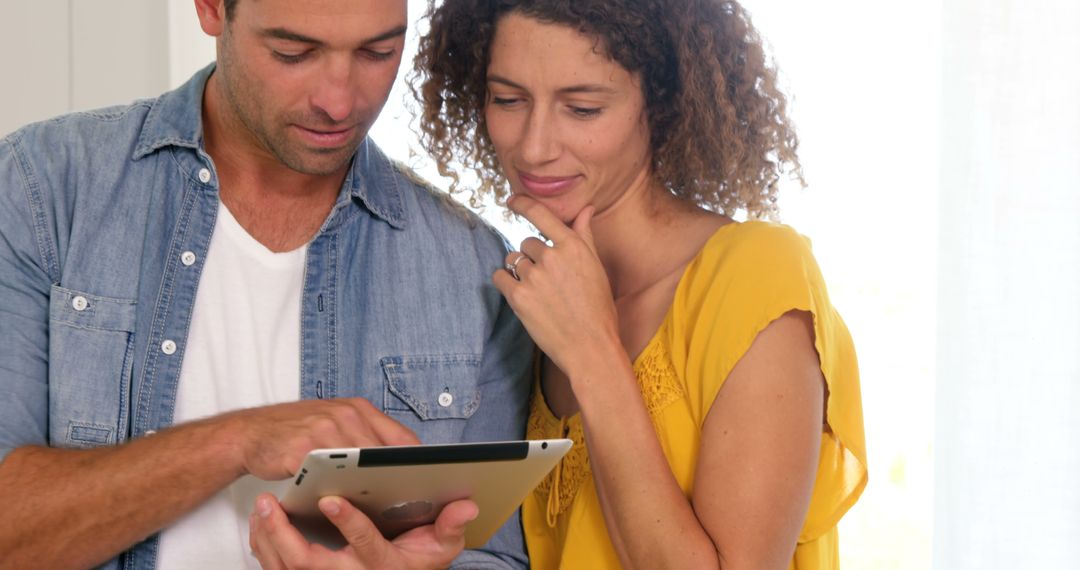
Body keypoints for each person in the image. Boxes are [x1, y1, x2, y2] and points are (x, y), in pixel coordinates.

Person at [0, 0, 532, 568]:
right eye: (293, 52)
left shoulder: (472, 261)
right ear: (210, 10)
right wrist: (237, 442)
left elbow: (495, 554)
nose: (339, 102)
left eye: (378, 51)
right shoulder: (43, 190)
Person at [412, 0, 869, 568]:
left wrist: (593, 353)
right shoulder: (538, 301)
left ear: (662, 101)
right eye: (508, 99)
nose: (533, 147)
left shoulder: (752, 277)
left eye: (582, 108)